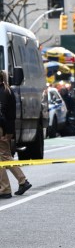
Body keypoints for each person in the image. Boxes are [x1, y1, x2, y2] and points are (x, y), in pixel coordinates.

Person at [0, 70, 32, 198]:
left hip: (1, 128)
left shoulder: (2, 92)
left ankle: (5, 188)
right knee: (5, 157)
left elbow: (1, 114)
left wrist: (7, 131)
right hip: (5, 128)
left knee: (4, 157)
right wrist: (9, 131)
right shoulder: (7, 91)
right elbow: (11, 115)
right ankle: (21, 181)